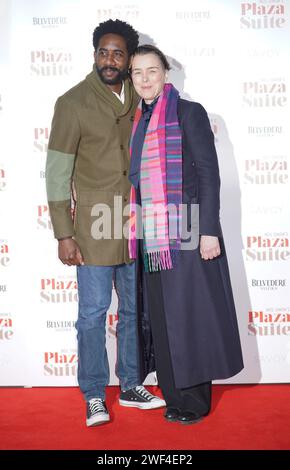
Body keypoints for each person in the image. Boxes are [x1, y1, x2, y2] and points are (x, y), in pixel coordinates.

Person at [45, 22, 165, 428]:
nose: (109, 61)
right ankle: (94, 394)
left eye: (117, 54)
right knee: (93, 314)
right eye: (102, 52)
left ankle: (131, 384)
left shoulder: (142, 96)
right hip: (94, 227)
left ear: (129, 57)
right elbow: (57, 173)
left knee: (133, 311)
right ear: (94, 54)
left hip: (135, 223)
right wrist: (64, 233)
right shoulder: (73, 102)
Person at [128, 45, 244, 425]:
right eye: (138, 73)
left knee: (191, 315)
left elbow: (210, 174)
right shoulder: (140, 121)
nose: (145, 79)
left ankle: (194, 401)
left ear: (166, 74)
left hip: (191, 231)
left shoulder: (188, 113)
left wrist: (210, 230)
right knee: (164, 318)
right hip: (155, 234)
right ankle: (174, 395)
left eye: (152, 71)